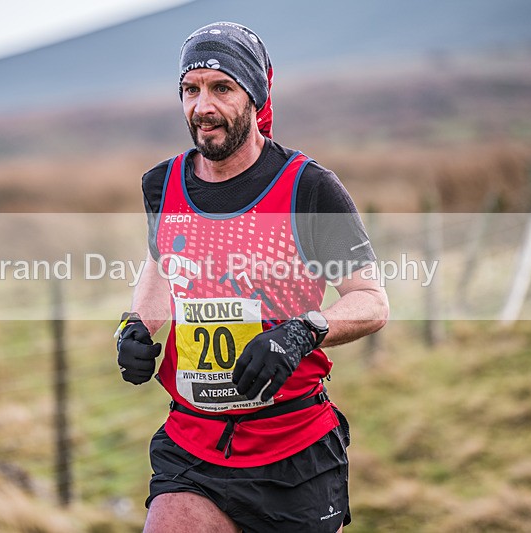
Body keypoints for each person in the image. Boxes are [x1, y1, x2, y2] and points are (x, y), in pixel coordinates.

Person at [115, 21, 389, 533]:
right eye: (190, 90)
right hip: (193, 446)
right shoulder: (162, 184)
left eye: (221, 88)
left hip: (293, 449)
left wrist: (301, 332)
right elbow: (160, 265)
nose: (203, 107)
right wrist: (136, 327)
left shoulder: (308, 188)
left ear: (255, 95)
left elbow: (370, 300)